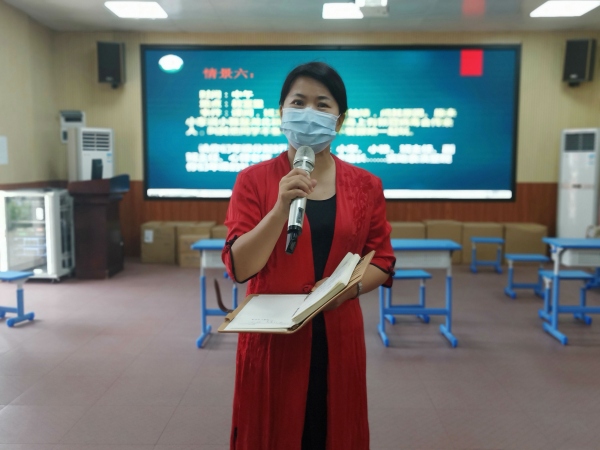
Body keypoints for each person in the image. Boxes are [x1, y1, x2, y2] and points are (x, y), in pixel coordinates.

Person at [222, 61, 395, 450]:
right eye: (298, 102)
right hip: (272, 341)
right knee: (271, 432)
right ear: (281, 112)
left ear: (340, 119)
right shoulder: (252, 180)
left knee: (333, 430)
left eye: (322, 104)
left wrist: (342, 292)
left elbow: (382, 260)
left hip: (339, 334)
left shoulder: (366, 185)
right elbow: (240, 267)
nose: (309, 113)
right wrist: (280, 208)